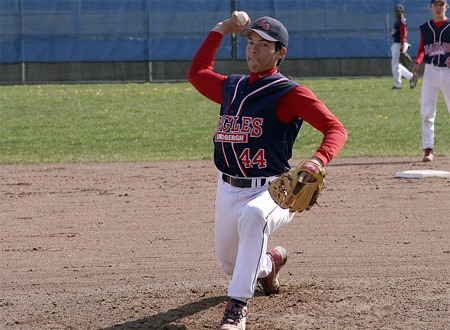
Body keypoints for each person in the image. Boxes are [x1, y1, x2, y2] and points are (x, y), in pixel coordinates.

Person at [188, 13, 347, 329]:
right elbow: (197, 73)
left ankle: (236, 310)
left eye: (263, 45)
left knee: (254, 217)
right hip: (228, 187)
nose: (253, 50)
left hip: (273, 190)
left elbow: (335, 128)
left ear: (280, 53)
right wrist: (221, 30)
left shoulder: (288, 93)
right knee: (231, 264)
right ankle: (270, 263)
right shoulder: (231, 87)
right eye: (250, 42)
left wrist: (315, 162)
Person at [412, 0, 450, 162]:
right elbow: (422, 49)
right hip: (431, 71)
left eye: (442, 4)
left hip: (448, 72)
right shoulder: (425, 27)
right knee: (427, 111)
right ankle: (428, 149)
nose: (439, 7)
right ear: (431, 8)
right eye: (436, 4)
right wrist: (417, 64)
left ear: (446, 7)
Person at [391, 4, 416, 89]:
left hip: (399, 44)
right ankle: (411, 77)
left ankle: (398, 84)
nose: (396, 12)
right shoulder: (398, 21)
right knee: (397, 65)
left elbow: (403, 35)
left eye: (398, 11)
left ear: (402, 11)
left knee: (395, 65)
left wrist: (402, 48)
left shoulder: (402, 22)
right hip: (397, 44)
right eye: (395, 11)